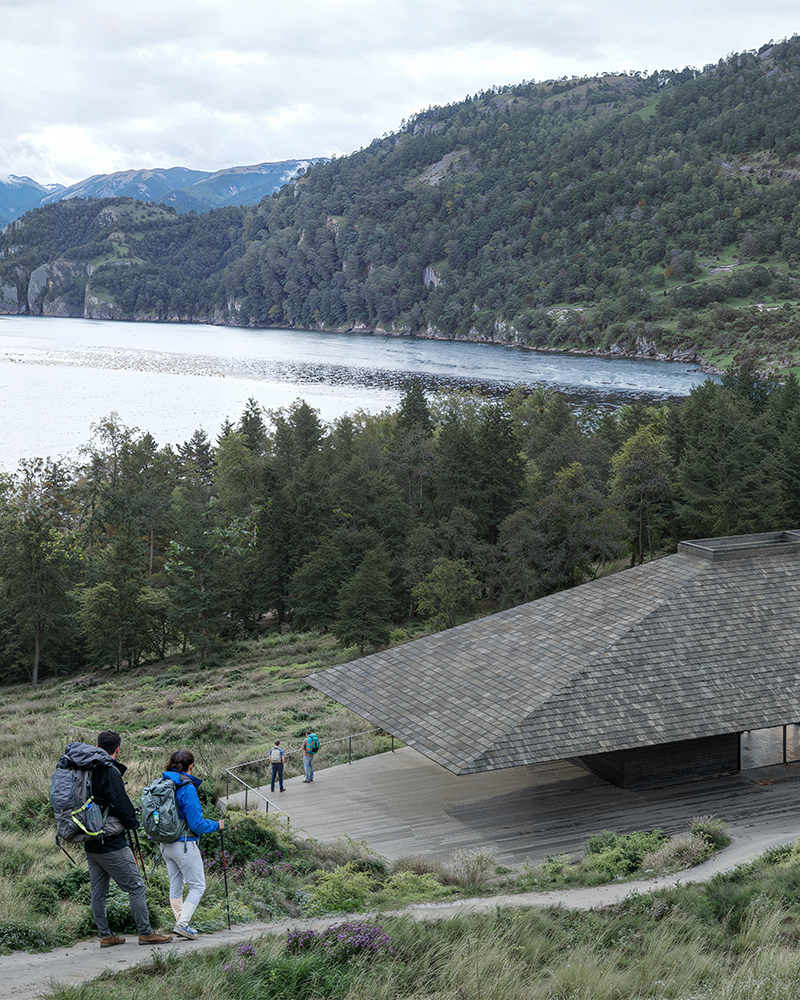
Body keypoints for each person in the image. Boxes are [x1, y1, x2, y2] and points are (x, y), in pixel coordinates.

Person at [84, 730, 173, 948]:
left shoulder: (86, 769)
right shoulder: (109, 771)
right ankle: (145, 933)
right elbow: (121, 805)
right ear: (117, 749)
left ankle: (105, 935)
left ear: (97, 747)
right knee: (136, 887)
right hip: (111, 840)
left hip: (90, 839)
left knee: (98, 891)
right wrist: (133, 822)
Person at [159, 749, 223, 940]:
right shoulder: (187, 787)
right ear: (191, 766)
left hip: (165, 843)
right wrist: (217, 825)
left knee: (176, 883)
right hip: (184, 844)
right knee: (198, 886)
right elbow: (196, 824)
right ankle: (182, 923)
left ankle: (180, 921)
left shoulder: (165, 783)